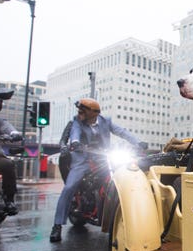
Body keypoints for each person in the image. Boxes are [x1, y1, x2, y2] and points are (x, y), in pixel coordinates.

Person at [50, 98, 145, 242]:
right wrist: (75, 143)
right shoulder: (77, 122)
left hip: (103, 158)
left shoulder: (106, 121)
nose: (79, 113)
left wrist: (138, 142)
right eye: (79, 111)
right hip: (83, 160)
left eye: (82, 111)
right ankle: (57, 226)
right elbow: (74, 133)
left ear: (93, 113)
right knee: (69, 187)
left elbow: (122, 132)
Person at [57, 115, 76, 183]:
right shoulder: (73, 123)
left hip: (93, 154)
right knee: (63, 157)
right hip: (77, 153)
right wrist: (64, 147)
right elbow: (63, 140)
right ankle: (68, 183)